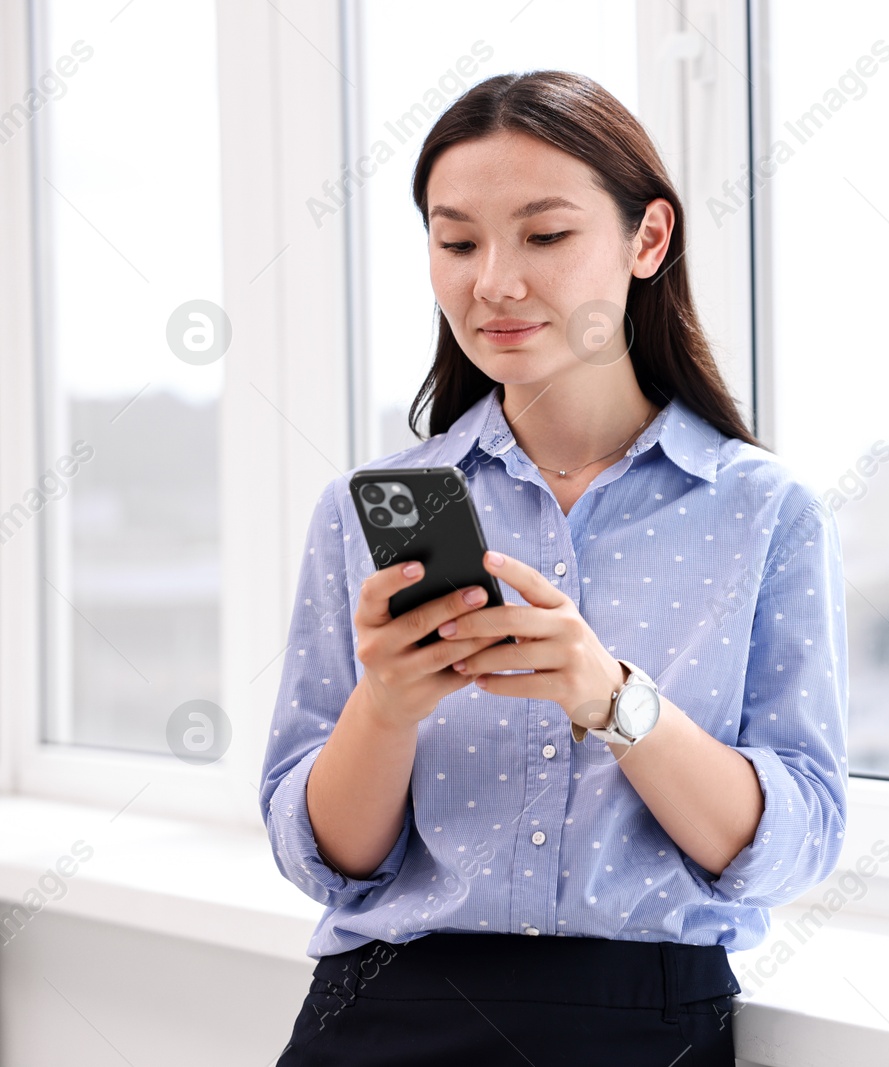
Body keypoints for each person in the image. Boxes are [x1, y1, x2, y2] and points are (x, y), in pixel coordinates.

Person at [260, 70, 849, 1066]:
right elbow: (329, 863)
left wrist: (612, 697)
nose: (493, 280)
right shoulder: (367, 511)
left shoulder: (762, 512)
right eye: (456, 242)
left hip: (642, 1022)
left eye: (544, 234)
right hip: (378, 1013)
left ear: (647, 240)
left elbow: (790, 844)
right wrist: (388, 705)